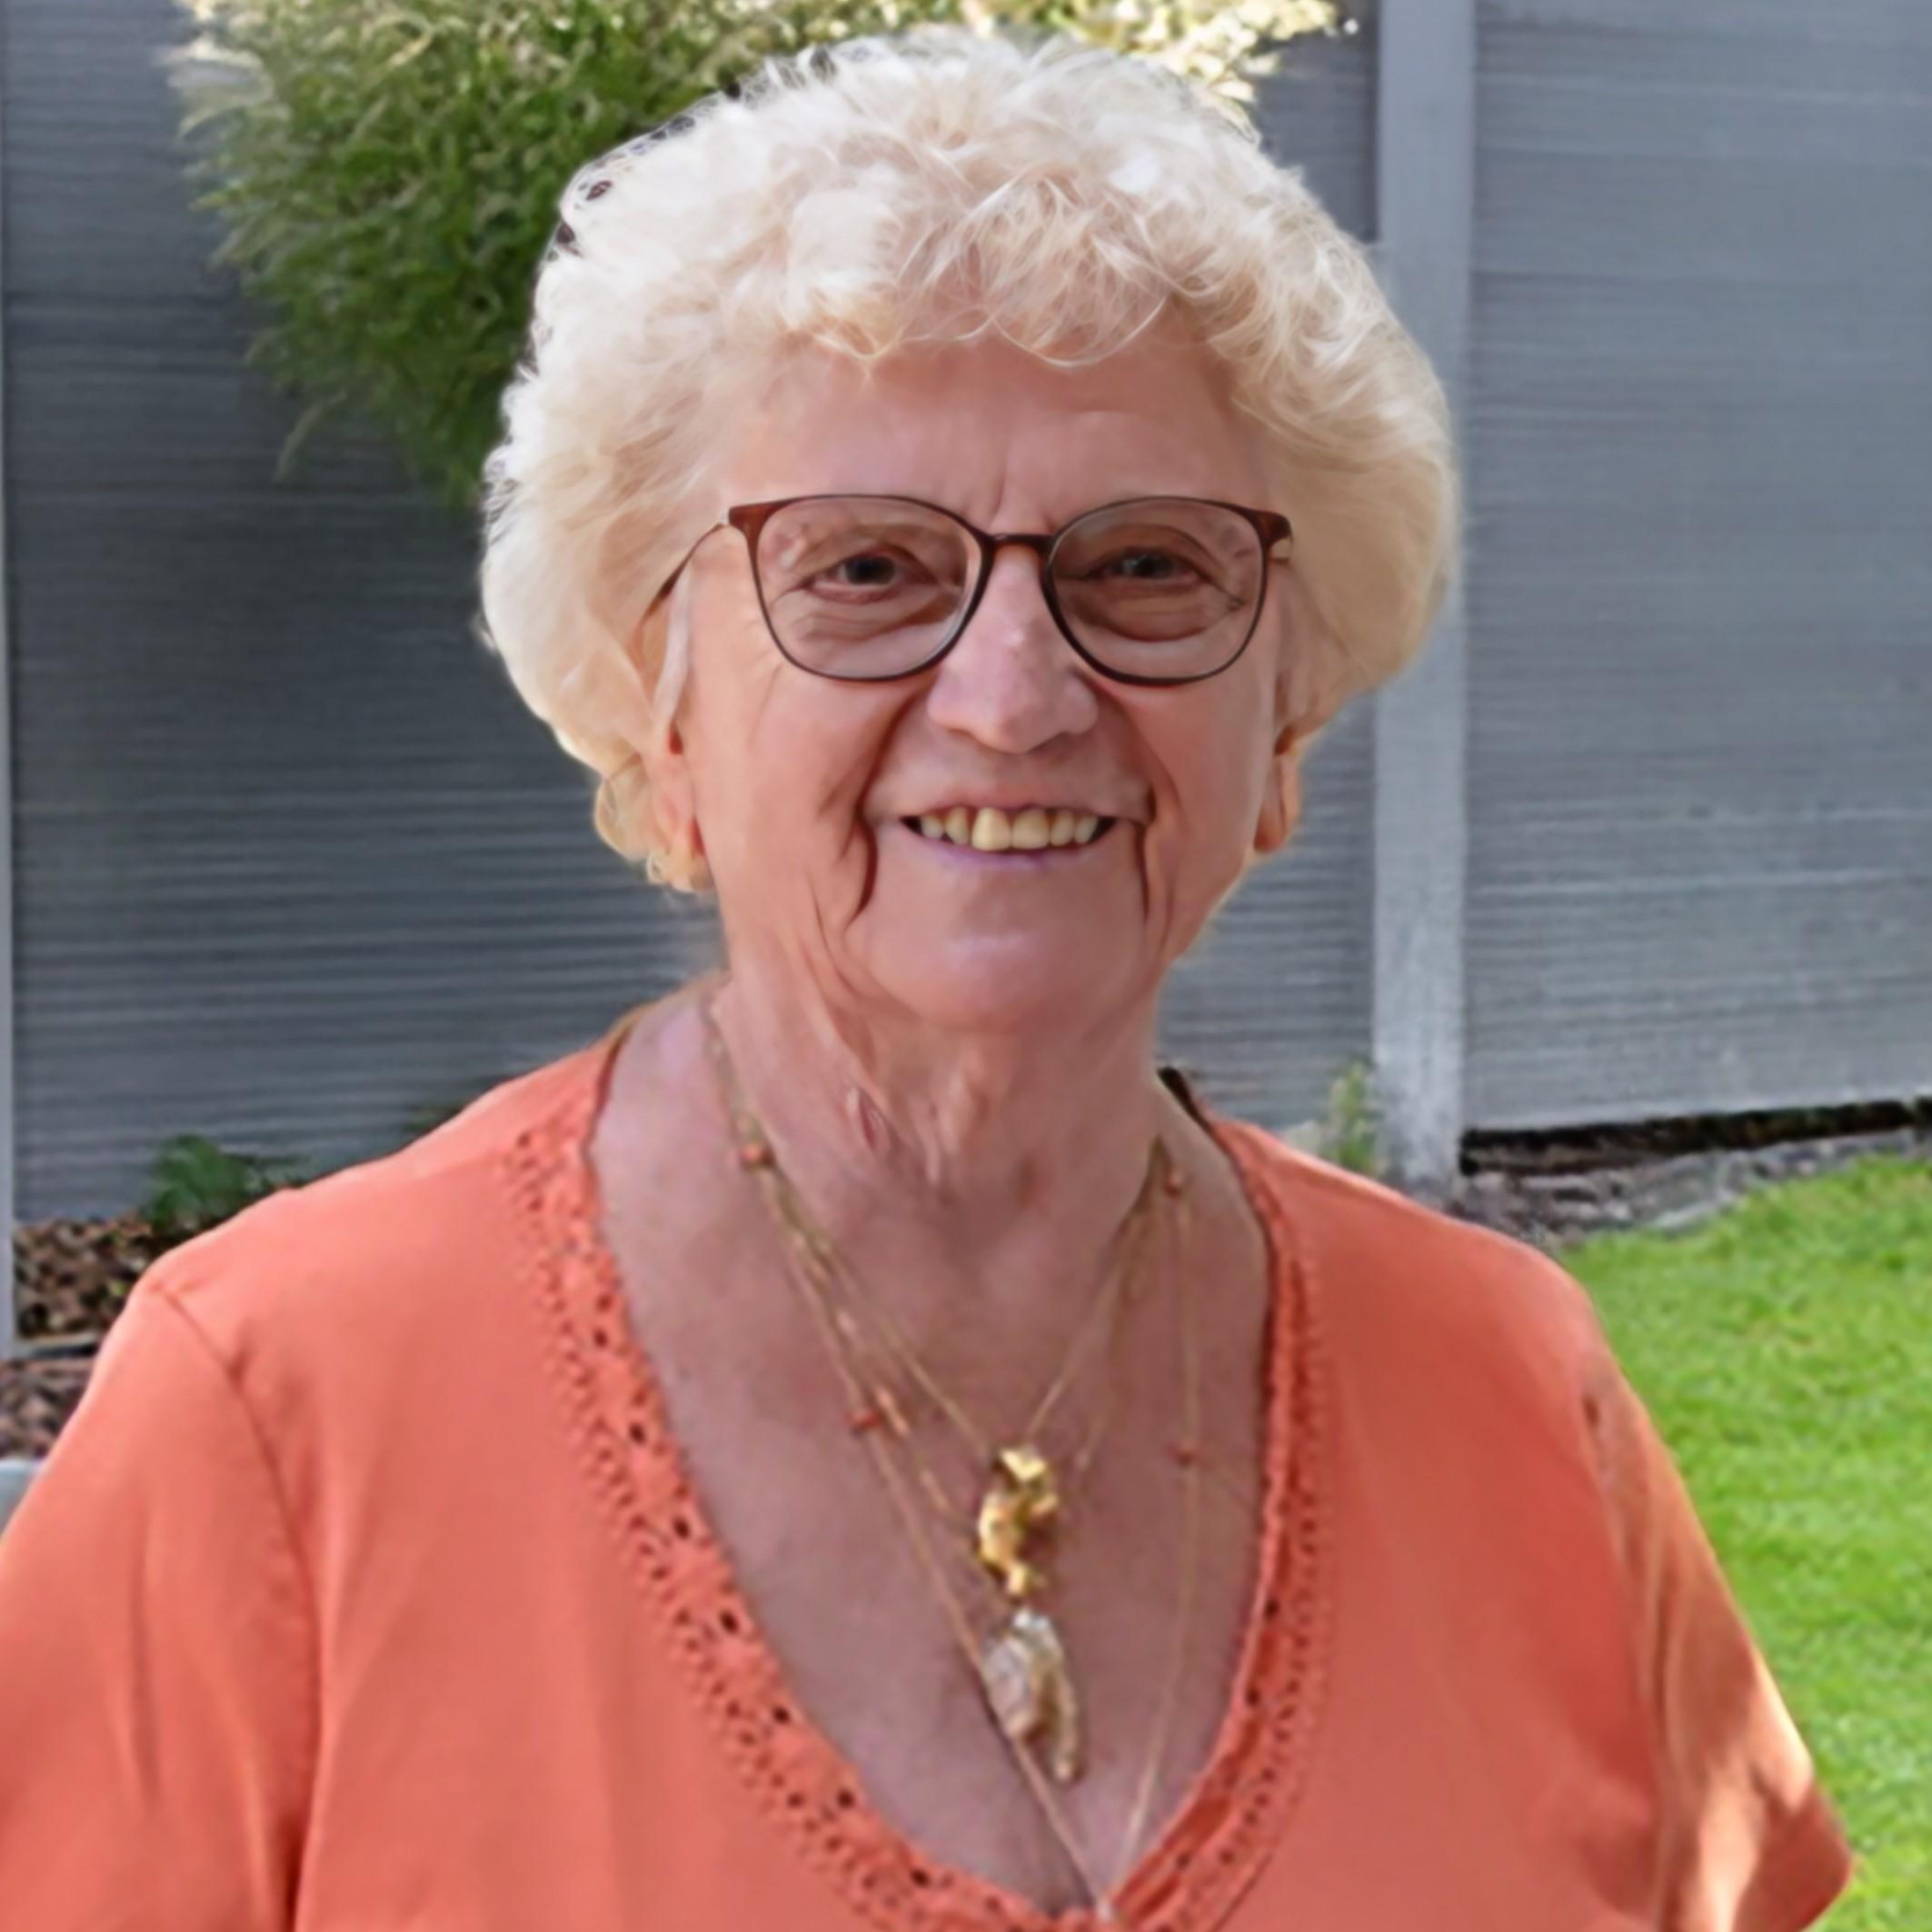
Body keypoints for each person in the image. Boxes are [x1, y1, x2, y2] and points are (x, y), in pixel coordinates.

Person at [0, 26, 1855, 1930]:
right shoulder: (276, 1415)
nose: (1015, 695)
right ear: (660, 710)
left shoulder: (1513, 1395)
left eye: (1144, 566)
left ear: (1283, 721)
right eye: (868, 568)